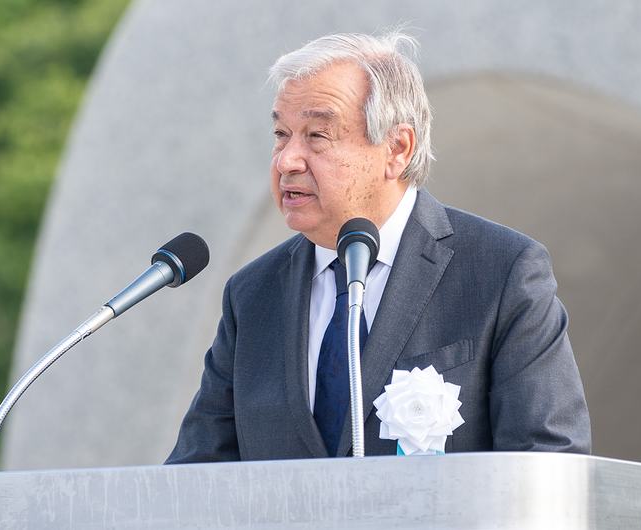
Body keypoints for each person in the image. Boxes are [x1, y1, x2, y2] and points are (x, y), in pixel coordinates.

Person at [166, 31, 590, 462]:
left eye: (317, 135)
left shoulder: (501, 273)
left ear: (397, 149)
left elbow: (550, 464)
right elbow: (194, 474)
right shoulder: (252, 294)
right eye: (281, 133)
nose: (287, 160)